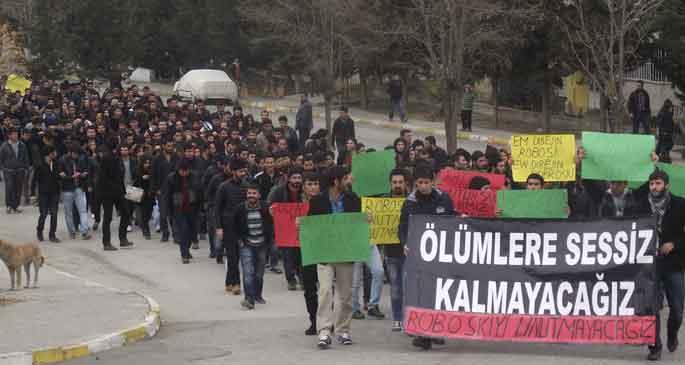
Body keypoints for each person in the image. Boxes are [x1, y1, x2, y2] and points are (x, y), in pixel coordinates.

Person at [398, 165, 456, 350]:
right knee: (421, 292)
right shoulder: (410, 202)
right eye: (419, 183)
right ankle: (423, 332)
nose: (423, 186)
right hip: (419, 256)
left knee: (440, 292)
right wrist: (404, 243)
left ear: (433, 182)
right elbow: (402, 227)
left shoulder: (443, 199)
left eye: (426, 182)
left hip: (441, 254)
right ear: (415, 184)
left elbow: (452, 220)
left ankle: (437, 329)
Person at [310, 166, 361, 349]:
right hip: (324, 253)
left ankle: (343, 330)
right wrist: (302, 225)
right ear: (335, 181)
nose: (350, 181)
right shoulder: (317, 201)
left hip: (345, 252)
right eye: (346, 178)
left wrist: (365, 220)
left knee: (346, 295)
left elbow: (357, 224)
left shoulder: (353, 199)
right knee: (325, 292)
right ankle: (324, 331)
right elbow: (312, 226)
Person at [636, 170, 685, 361]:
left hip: (673, 264)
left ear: (667, 185)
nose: (654, 187)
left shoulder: (680, 204)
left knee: (678, 309)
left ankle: (672, 334)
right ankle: (654, 345)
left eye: (657, 183)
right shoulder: (641, 205)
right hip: (649, 266)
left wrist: (674, 244)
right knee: (651, 307)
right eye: (651, 184)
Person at [234, 183, 273, 309]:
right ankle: (249, 299)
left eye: (254, 193)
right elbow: (233, 225)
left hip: (262, 244)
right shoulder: (240, 209)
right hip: (246, 244)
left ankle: (257, 295)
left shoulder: (266, 207)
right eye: (249, 193)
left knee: (259, 273)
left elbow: (273, 221)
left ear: (259, 195)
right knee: (248, 272)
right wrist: (239, 241)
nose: (251, 195)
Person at [379, 169, 409, 331]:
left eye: (400, 182)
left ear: (405, 184)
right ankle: (397, 318)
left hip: (409, 251)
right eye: (395, 182)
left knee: (407, 286)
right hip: (391, 253)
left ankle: (408, 317)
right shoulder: (383, 202)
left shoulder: (412, 201)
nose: (397, 185)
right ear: (390, 183)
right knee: (396, 288)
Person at [267, 168, 305, 290]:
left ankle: (303, 279)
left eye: (299, 178)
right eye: (294, 178)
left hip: (301, 228)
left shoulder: (304, 192)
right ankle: (291, 280)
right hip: (285, 229)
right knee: (288, 255)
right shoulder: (278, 191)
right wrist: (271, 210)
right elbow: (270, 206)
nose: (297, 181)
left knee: (301, 255)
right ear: (288, 179)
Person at [216, 159, 248, 295]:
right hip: (228, 226)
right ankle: (235, 284)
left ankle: (229, 282)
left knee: (242, 257)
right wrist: (219, 227)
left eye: (244, 171)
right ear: (233, 172)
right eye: (240, 171)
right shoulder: (223, 187)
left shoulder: (247, 186)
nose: (243, 173)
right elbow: (217, 209)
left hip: (244, 226)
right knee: (232, 256)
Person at [96, 143, 134, 251]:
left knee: (126, 213)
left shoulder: (117, 159)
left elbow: (120, 177)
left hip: (119, 192)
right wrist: (113, 187)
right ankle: (106, 243)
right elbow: (103, 178)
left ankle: (123, 239)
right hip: (107, 193)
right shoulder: (106, 159)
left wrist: (122, 191)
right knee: (108, 218)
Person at [164, 159, 199, 263]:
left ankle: (186, 250)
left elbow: (200, 192)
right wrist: (168, 211)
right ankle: (184, 254)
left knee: (191, 231)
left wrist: (200, 207)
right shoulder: (171, 178)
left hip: (192, 208)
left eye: (186, 171)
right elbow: (167, 196)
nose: (184, 173)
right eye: (182, 171)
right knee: (184, 231)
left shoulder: (194, 177)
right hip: (178, 209)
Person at [57, 143, 92, 240]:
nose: (77, 156)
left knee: (83, 210)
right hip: (67, 189)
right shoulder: (62, 160)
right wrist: (71, 177)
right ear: (70, 152)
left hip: (79, 187)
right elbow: (60, 175)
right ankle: (71, 231)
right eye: (75, 154)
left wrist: (83, 174)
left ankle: (84, 231)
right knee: (68, 212)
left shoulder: (80, 159)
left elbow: (85, 170)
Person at [301, 172, 321, 335]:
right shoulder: (297, 204)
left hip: (323, 249)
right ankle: (314, 320)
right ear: (304, 187)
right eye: (310, 184)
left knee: (326, 288)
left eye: (316, 184)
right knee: (309, 289)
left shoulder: (325, 202)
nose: (313, 187)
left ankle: (327, 320)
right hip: (304, 250)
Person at [0, 127, 30, 214]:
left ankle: (15, 206)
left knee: (18, 188)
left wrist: (26, 168)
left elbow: (26, 158)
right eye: (13, 134)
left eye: (16, 133)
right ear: (9, 135)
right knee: (9, 187)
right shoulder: (4, 146)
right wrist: (3, 168)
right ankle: (9, 205)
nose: (15, 135)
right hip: (8, 170)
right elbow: (1, 159)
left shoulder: (22, 145)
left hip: (20, 170)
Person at [35, 146, 61, 243]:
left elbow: (58, 176)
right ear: (49, 154)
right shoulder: (40, 165)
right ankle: (39, 230)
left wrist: (60, 176)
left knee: (54, 214)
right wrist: (33, 194)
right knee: (44, 213)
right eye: (54, 152)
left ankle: (52, 235)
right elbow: (35, 179)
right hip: (43, 193)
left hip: (54, 192)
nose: (55, 154)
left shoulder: (56, 163)